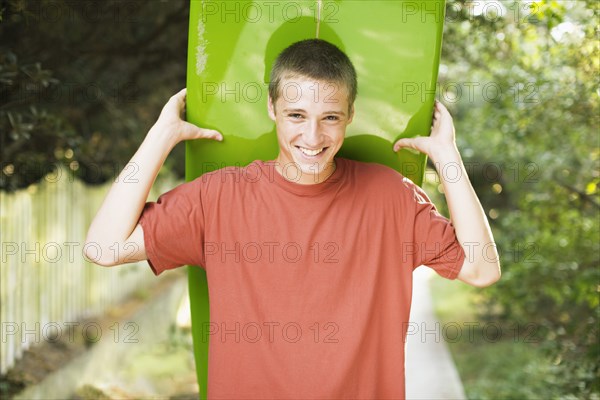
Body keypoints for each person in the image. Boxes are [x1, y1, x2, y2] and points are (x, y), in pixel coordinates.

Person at [85, 39, 500, 399]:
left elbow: (481, 269)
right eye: (297, 115)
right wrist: (162, 137)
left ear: (350, 114)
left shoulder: (390, 196)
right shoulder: (219, 197)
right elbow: (103, 247)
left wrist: (449, 160)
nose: (313, 138)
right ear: (272, 108)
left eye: (330, 118)